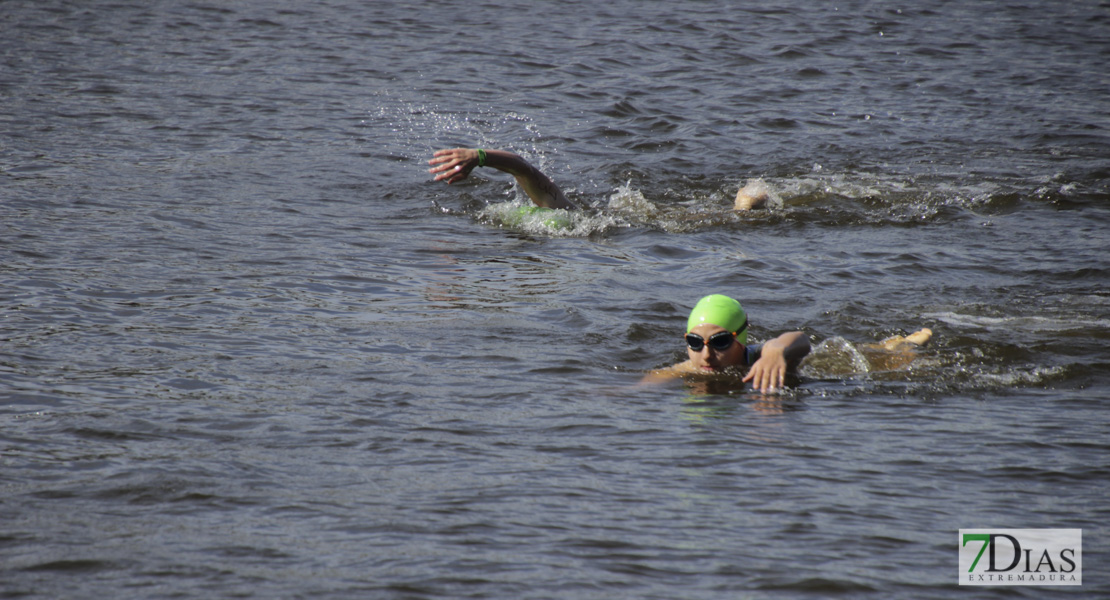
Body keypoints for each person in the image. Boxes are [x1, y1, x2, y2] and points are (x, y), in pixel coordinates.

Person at [429, 147, 769, 211]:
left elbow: (523, 167)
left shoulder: (556, 211)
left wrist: (480, 156)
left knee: (738, 214)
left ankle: (744, 201)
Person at [642, 294, 812, 393]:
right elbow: (638, 389)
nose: (707, 355)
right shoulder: (687, 368)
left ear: (740, 340)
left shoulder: (762, 357)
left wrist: (777, 351)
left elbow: (801, 339)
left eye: (720, 342)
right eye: (695, 342)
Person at [428, 148, 579, 210]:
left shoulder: (568, 217)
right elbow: (525, 169)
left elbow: (524, 171)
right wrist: (479, 156)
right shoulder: (567, 212)